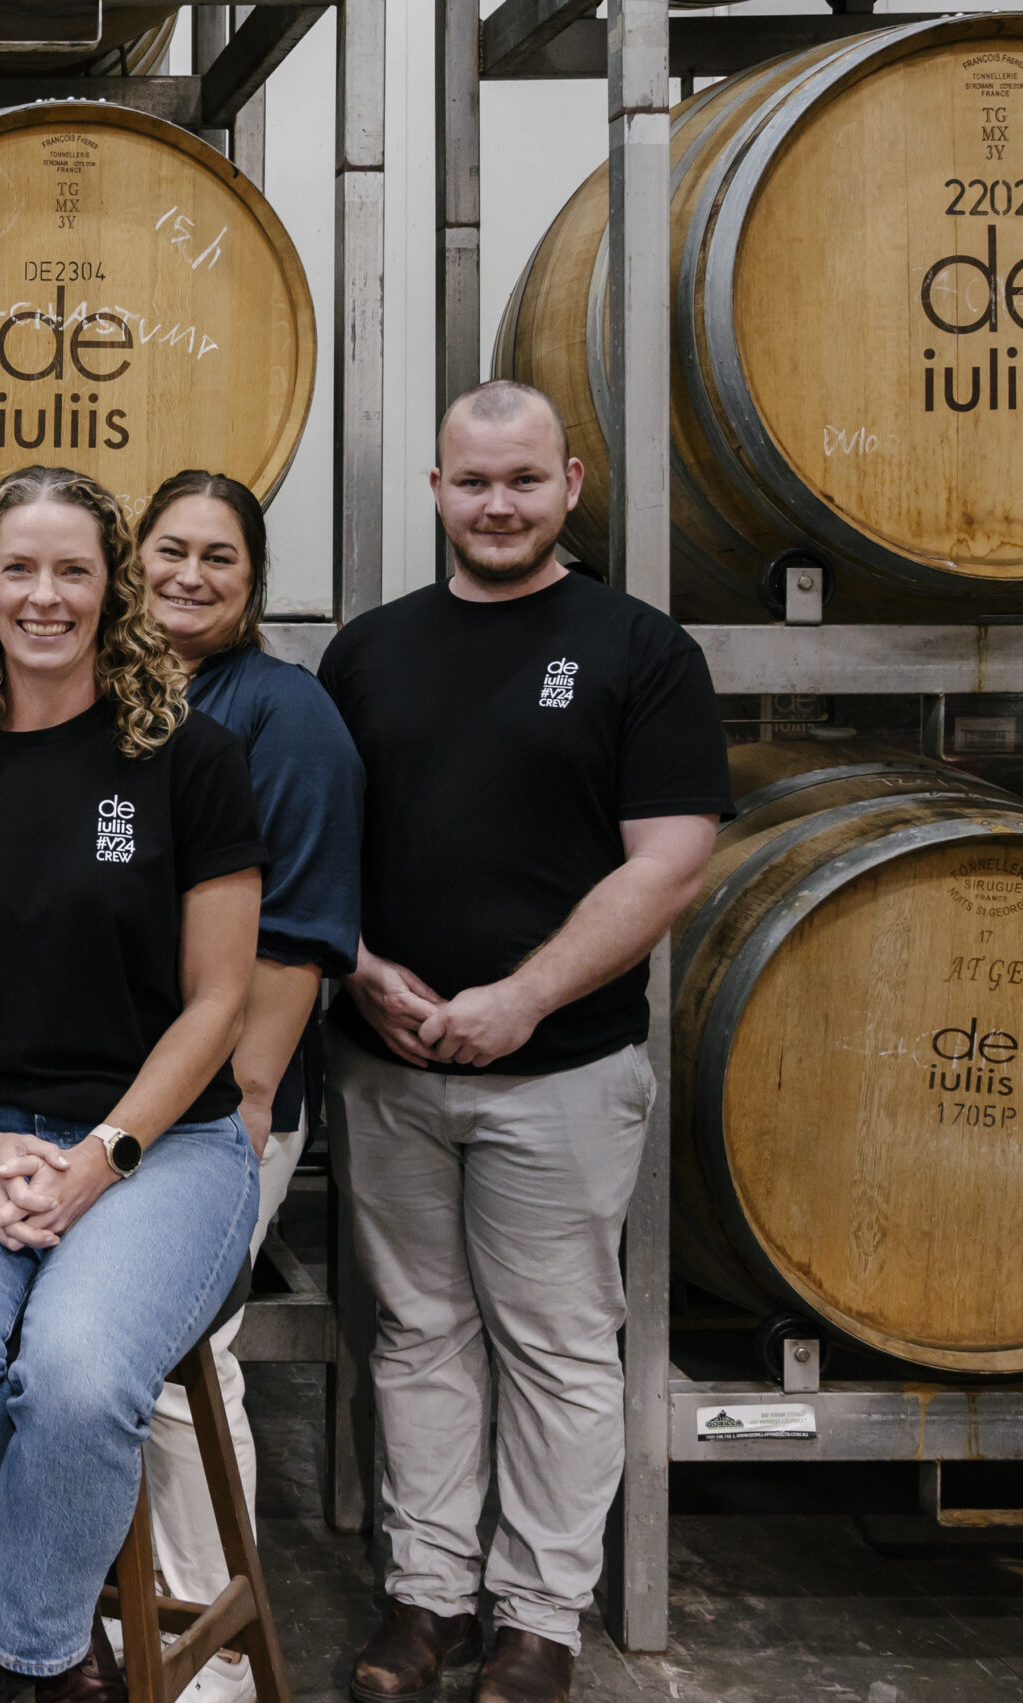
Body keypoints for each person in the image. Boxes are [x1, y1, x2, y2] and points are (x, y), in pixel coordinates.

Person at [318, 382, 728, 1703]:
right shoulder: (368, 651)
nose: (498, 504)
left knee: (554, 1338)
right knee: (419, 1332)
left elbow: (669, 862)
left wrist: (523, 995)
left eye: (523, 480)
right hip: (388, 1066)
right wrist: (365, 969)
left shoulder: (639, 648)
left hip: (561, 1075)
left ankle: (541, 1612)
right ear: (434, 488)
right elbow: (318, 852)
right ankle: (429, 1593)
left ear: (572, 483)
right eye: (473, 480)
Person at [0, 464, 268, 1703]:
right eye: (18, 568)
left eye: (72, 569)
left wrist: (98, 1159)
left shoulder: (188, 758)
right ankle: (55, 1645)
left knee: (81, 1373)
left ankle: (10, 1653)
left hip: (167, 1147)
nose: (44, 595)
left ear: (112, 586)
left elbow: (217, 1000)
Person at [131, 470, 363, 1703]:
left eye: (218, 557)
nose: (189, 574)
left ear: (253, 581)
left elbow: (302, 923)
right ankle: (108, 1612)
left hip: (227, 1093)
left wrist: (253, 1093)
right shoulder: (107, 697)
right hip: (108, 1093)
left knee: (178, 1347)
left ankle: (209, 1648)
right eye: (170, 548)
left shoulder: (283, 712)